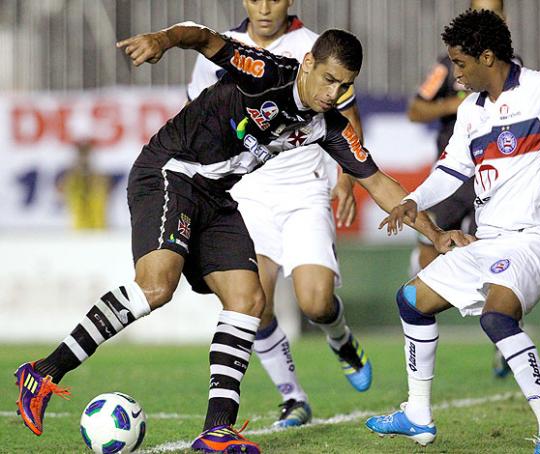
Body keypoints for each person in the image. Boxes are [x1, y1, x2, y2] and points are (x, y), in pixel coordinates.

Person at [15, 22, 470, 453]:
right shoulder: (265, 73)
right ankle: (42, 372)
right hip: (173, 170)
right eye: (328, 79)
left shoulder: (326, 126)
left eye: (344, 86)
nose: (333, 94)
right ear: (308, 62)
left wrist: (435, 231)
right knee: (156, 288)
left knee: (249, 300)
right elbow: (203, 37)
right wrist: (161, 39)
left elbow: (379, 181)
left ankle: (217, 430)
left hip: (216, 194)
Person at [366, 9, 540, 453]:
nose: (454, 74)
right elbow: (452, 169)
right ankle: (418, 414)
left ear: (487, 57)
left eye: (459, 63)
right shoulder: (471, 111)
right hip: (488, 241)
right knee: (412, 300)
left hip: (535, 240)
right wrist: (415, 199)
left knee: (496, 317)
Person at [187, 0, 368, 429]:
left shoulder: (314, 47)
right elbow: (199, 121)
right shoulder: (223, 49)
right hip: (247, 189)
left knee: (316, 302)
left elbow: (348, 115)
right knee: (252, 302)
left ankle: (340, 338)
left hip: (305, 186)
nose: (265, 7)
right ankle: (293, 396)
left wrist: (346, 179)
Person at [407, 0, 516, 378]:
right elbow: (416, 109)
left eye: (495, 13)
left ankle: (506, 334)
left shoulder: (516, 70)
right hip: (453, 175)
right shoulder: (449, 65)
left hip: (495, 174)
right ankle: (422, 333)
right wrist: (456, 103)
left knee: (498, 257)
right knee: (428, 247)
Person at [57, 140, 110, 230]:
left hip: (98, 228)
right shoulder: (71, 179)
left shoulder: (99, 178)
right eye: (81, 154)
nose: (84, 158)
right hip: (78, 229)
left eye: (86, 154)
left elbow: (103, 200)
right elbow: (61, 194)